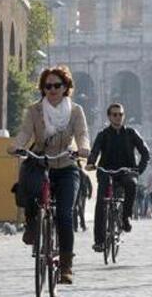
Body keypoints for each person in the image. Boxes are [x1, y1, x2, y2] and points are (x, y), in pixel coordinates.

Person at [9, 66, 90, 285]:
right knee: (28, 185)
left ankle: (66, 266)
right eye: (48, 86)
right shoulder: (34, 110)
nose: (52, 89)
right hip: (40, 163)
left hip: (66, 165)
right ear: (43, 89)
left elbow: (82, 134)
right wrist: (16, 145)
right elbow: (26, 131)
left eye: (57, 85)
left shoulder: (75, 111)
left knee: (64, 214)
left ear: (66, 88)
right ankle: (32, 222)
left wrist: (83, 148)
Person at [87, 102, 150, 252]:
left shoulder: (131, 133)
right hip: (105, 172)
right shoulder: (103, 134)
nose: (118, 117)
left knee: (132, 184)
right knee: (101, 203)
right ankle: (99, 241)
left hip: (126, 172)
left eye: (121, 114)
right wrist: (91, 163)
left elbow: (145, 153)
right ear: (109, 117)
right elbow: (95, 151)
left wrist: (138, 170)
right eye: (114, 114)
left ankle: (126, 217)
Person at [73, 161, 92, 232]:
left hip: (80, 193)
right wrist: (89, 193)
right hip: (82, 194)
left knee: (76, 209)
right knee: (80, 209)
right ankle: (81, 225)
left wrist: (89, 193)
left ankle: (76, 226)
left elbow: (89, 185)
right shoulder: (84, 175)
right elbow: (90, 186)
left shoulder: (76, 174)